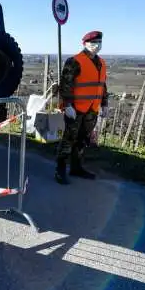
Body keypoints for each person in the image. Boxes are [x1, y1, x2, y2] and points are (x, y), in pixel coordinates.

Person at [54, 30, 108, 184]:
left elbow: (102, 85)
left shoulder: (102, 63)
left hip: (92, 109)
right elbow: (66, 85)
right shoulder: (75, 61)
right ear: (85, 44)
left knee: (82, 140)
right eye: (93, 43)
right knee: (69, 139)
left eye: (99, 43)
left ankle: (76, 168)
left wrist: (104, 104)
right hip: (76, 109)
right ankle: (60, 169)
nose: (96, 46)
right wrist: (68, 105)